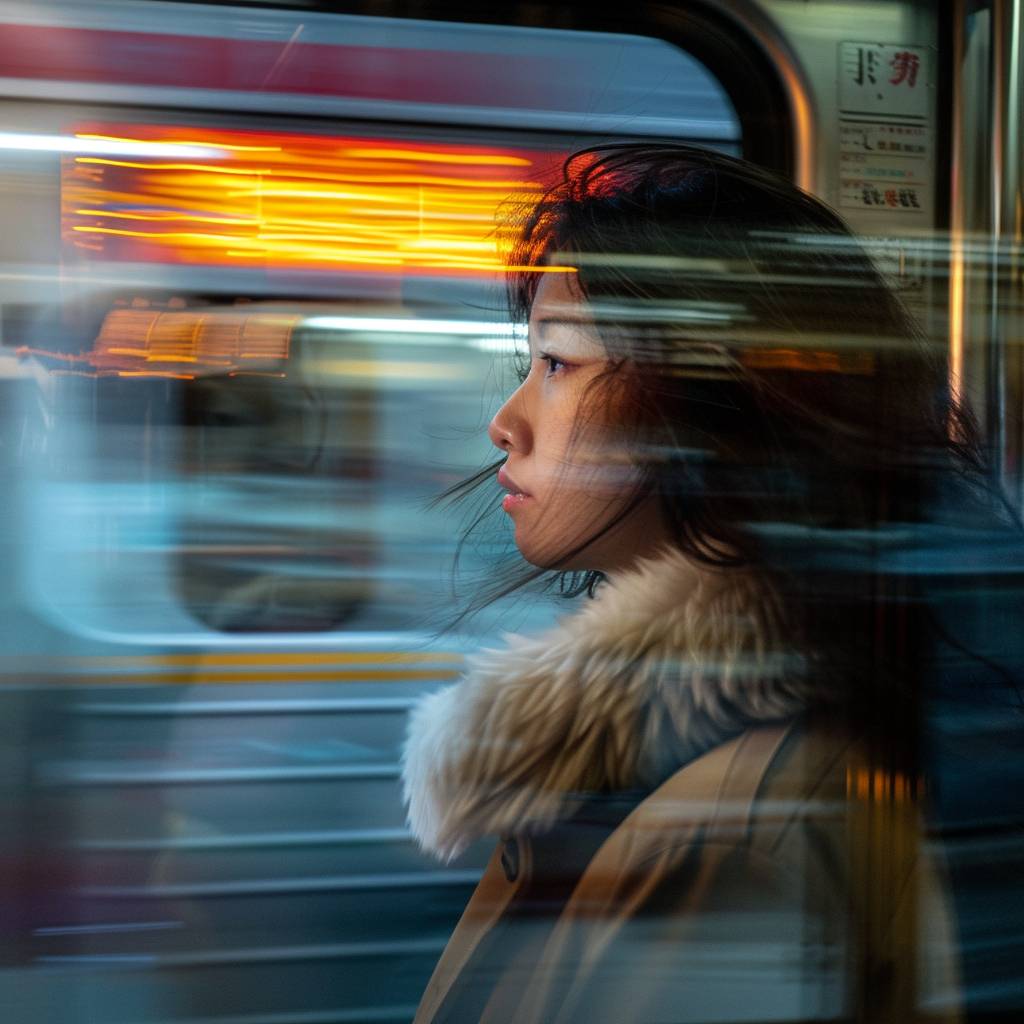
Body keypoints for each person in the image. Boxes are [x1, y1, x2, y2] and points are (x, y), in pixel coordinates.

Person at [401, 144, 980, 1024]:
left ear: (713, 405)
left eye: (557, 364)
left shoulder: (734, 833)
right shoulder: (665, 751)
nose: (504, 422)